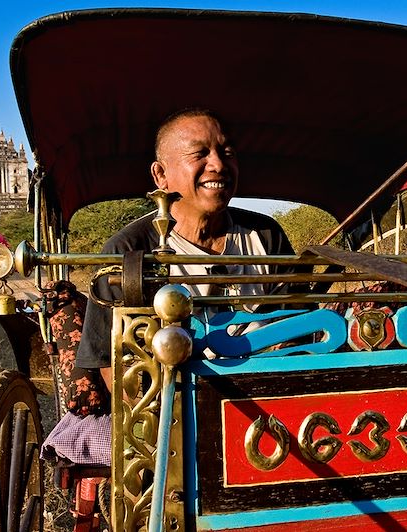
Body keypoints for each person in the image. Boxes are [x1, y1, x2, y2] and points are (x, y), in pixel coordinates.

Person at [42, 109, 298, 466]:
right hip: (174, 415)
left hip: (266, 405)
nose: (218, 166)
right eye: (200, 154)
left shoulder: (266, 236)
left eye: (226, 153)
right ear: (160, 175)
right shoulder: (127, 251)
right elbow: (112, 368)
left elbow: (294, 327)